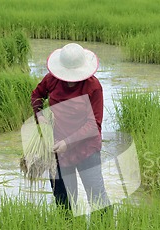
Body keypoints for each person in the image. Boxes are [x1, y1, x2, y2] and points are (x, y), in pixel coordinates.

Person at [30, 43, 111, 218]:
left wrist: (68, 142)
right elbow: (37, 95)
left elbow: (94, 125)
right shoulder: (51, 80)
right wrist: (39, 115)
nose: (70, 79)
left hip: (86, 149)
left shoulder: (93, 87)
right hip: (57, 149)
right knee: (63, 200)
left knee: (98, 199)